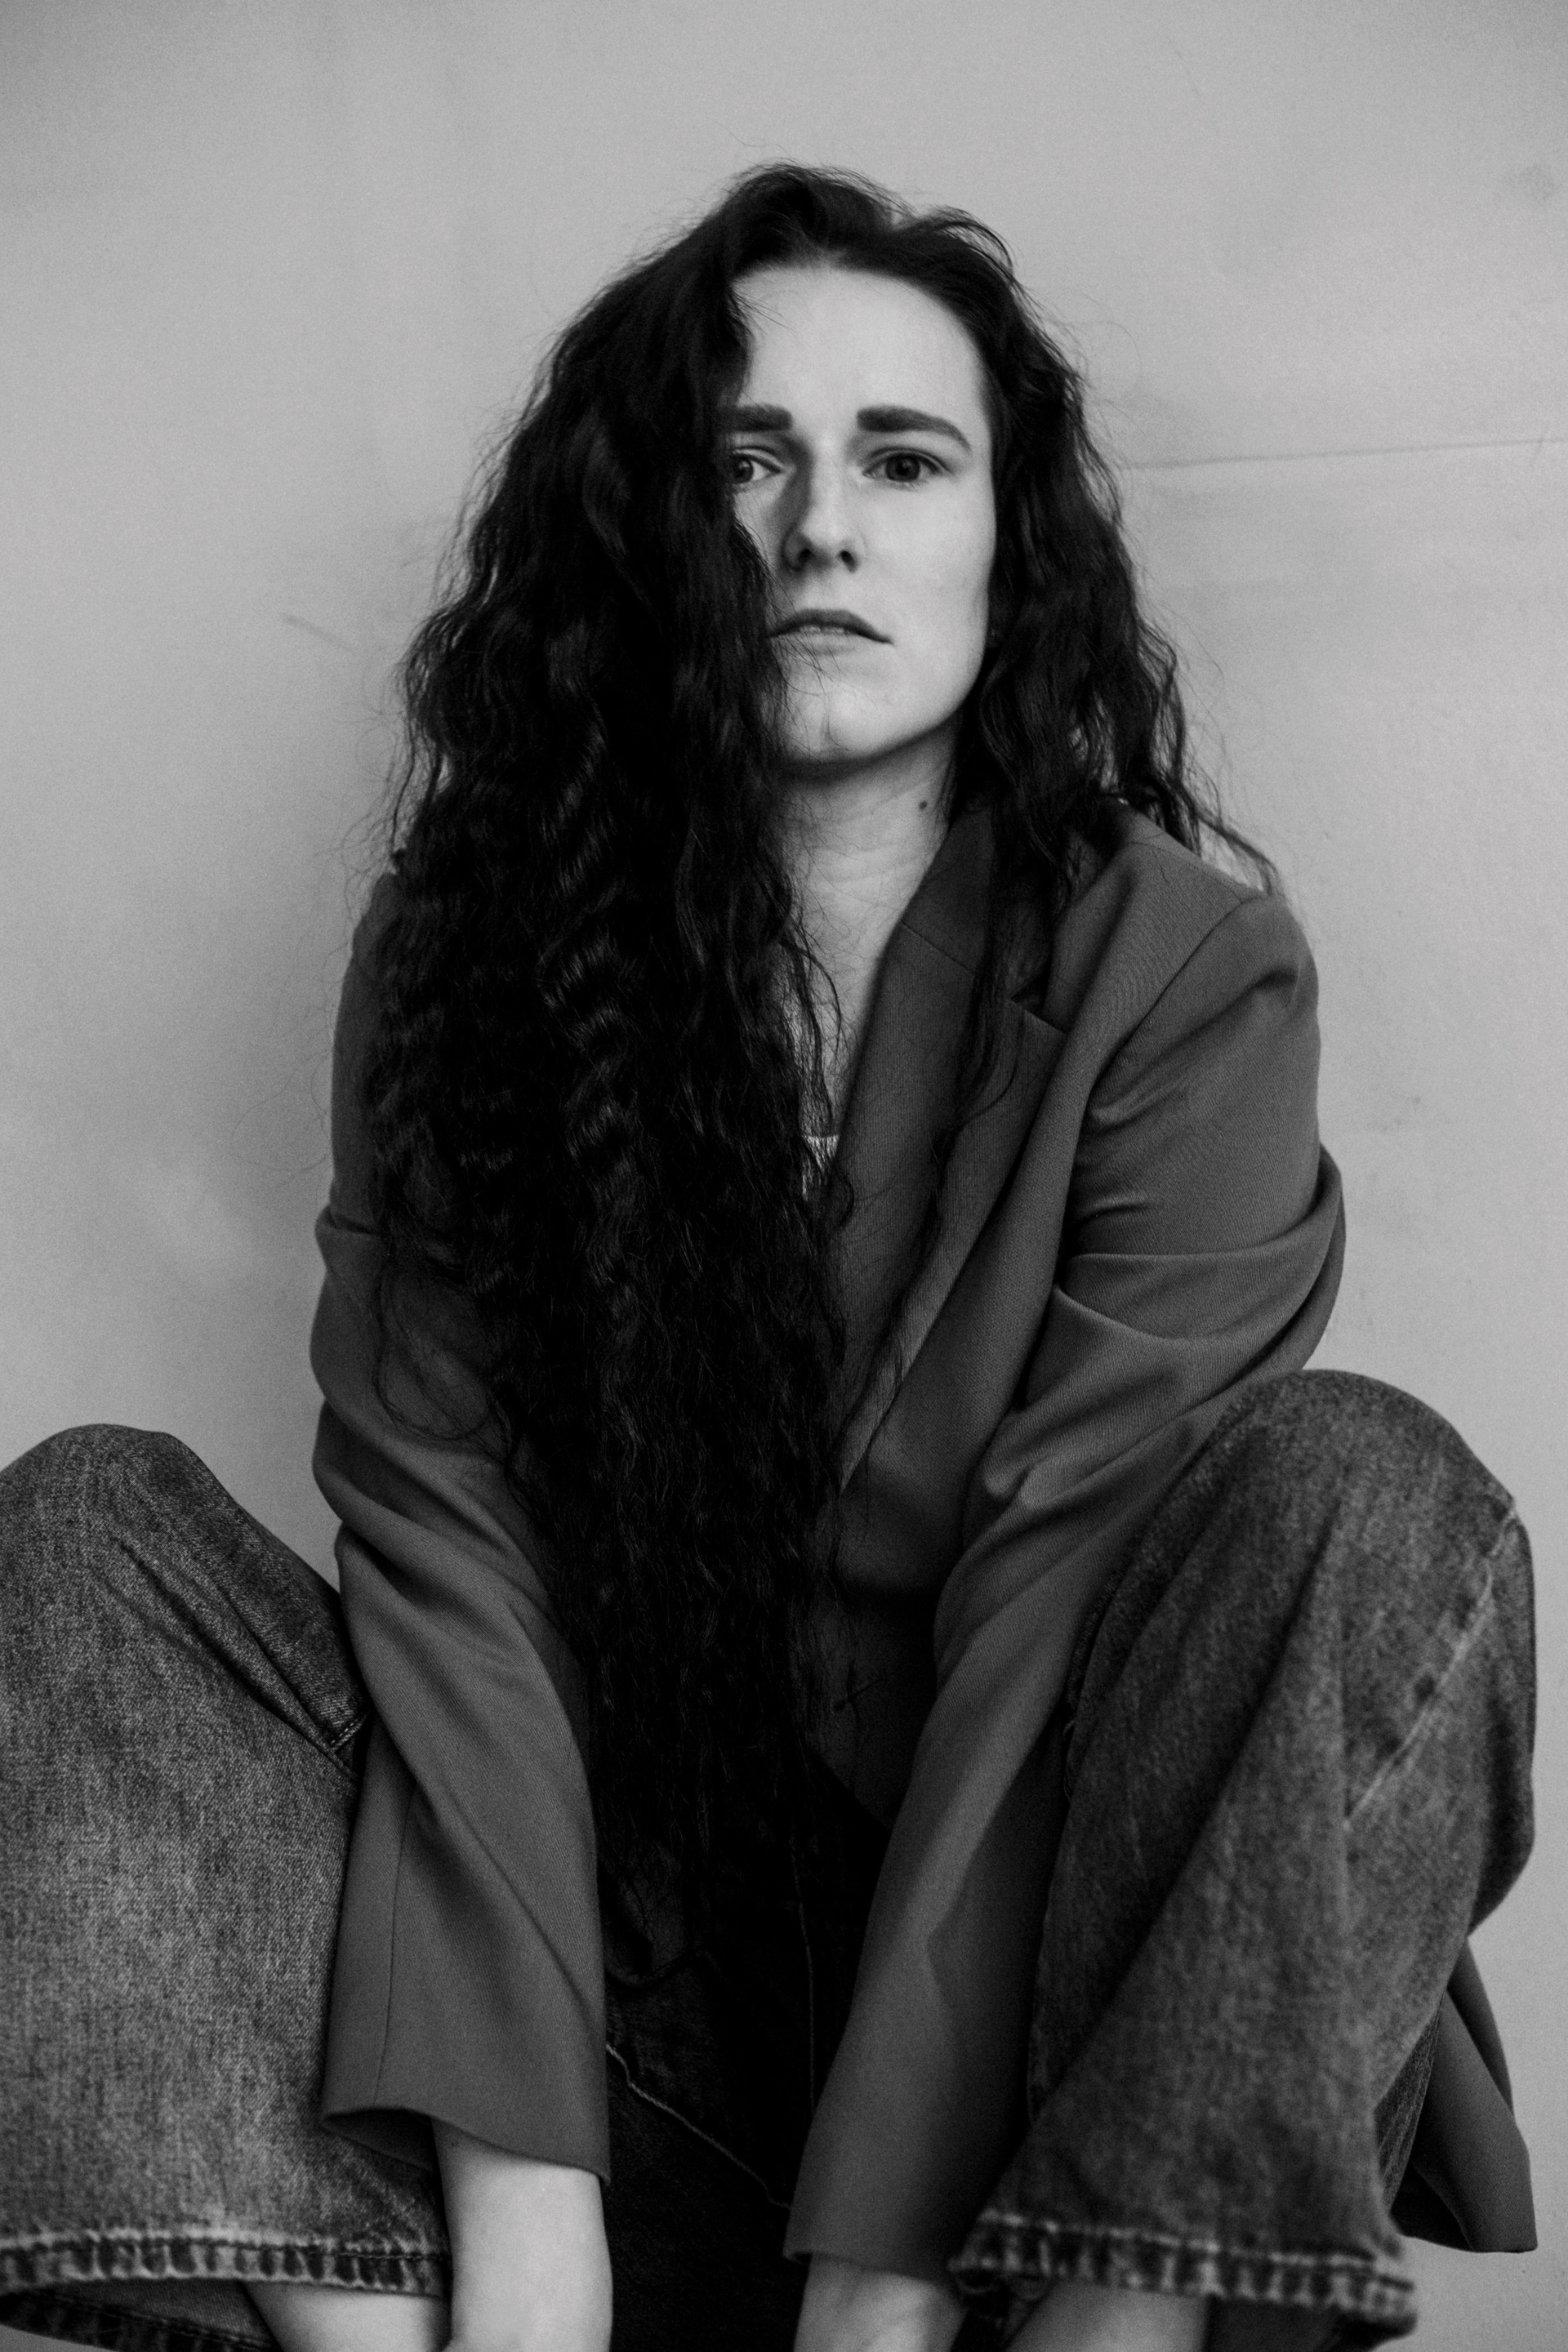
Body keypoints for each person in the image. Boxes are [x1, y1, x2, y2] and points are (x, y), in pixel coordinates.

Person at [0, 166, 1538, 2352]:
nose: (820, 529)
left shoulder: (1185, 975)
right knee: (83, 1532)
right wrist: (531, 2246)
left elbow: (1058, 1607)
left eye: (902, 461)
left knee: (1362, 1488)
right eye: (747, 462)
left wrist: (883, 2291)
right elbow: (453, 1571)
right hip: (607, 2041)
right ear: (649, 537)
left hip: (1049, 2089)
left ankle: (1111, 2332)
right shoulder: (465, 957)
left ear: (1011, 545)